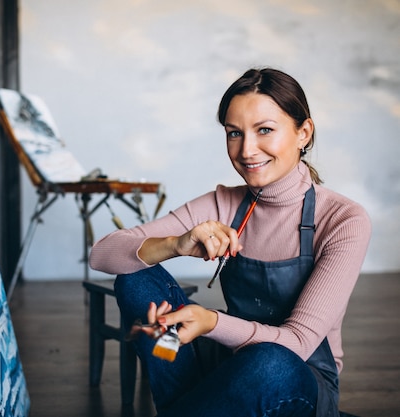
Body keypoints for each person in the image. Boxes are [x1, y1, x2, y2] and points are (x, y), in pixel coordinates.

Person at [89, 68, 371, 417]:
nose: (247, 150)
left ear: (303, 132)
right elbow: (101, 254)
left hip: (295, 379)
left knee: (270, 361)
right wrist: (176, 244)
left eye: (264, 130)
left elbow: (297, 344)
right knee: (135, 277)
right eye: (234, 133)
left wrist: (211, 322)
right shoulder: (224, 203)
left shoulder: (343, 219)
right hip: (227, 359)